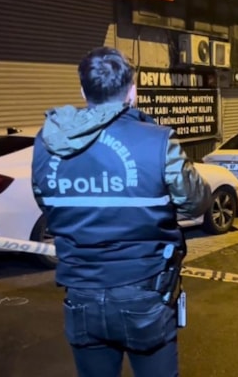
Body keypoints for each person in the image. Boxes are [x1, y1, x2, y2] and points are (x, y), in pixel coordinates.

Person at [31, 47, 213, 377]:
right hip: (145, 294)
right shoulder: (158, 142)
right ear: (133, 91)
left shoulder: (47, 143)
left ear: (83, 91)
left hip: (81, 296)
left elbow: (46, 202)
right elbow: (196, 202)